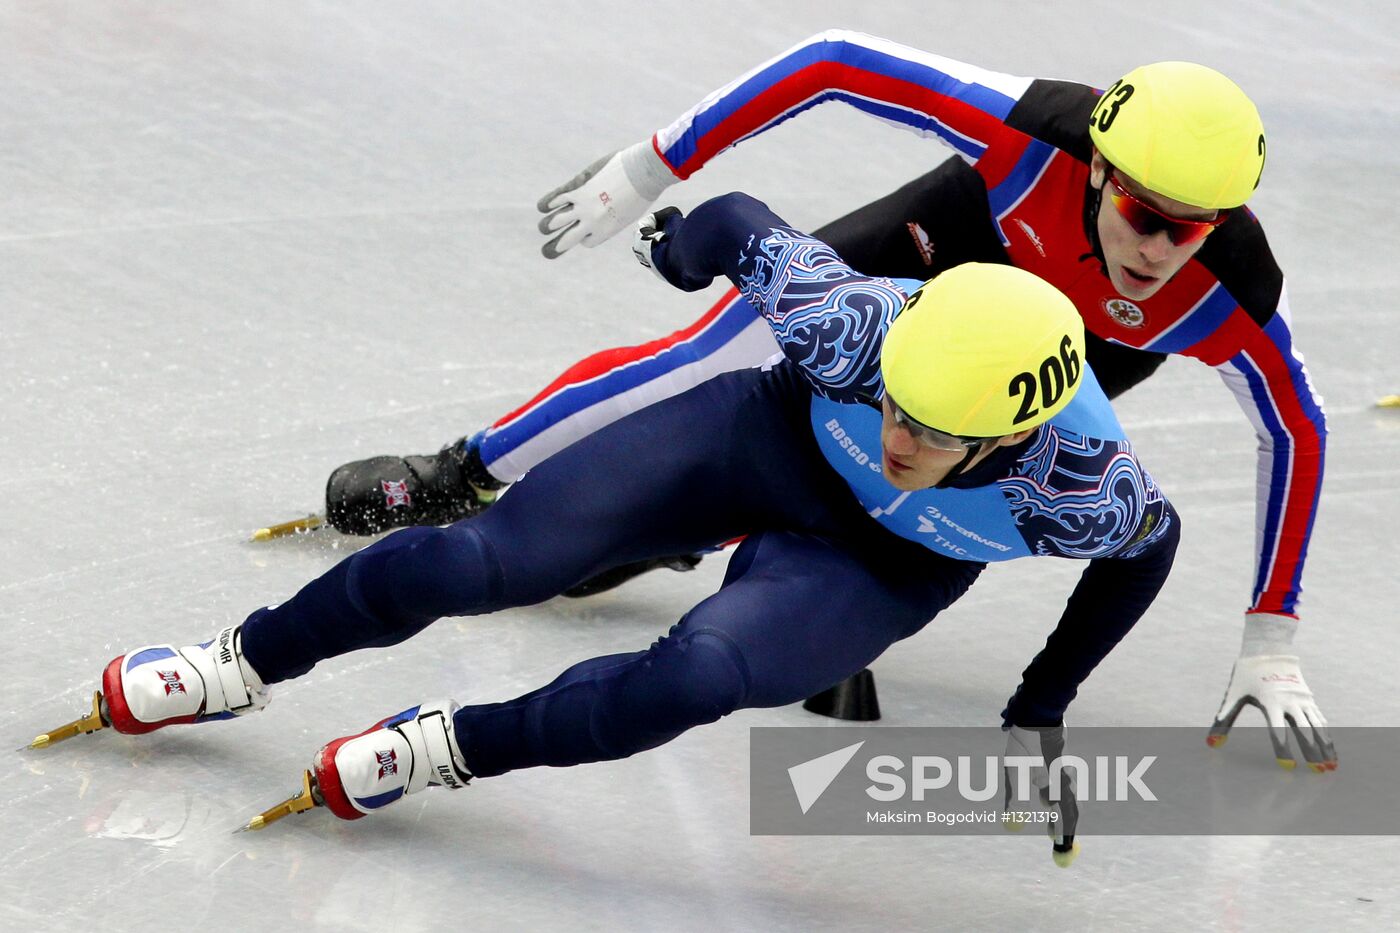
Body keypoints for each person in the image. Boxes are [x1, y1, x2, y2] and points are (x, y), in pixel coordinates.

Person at [48, 193, 1179, 864]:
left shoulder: (1084, 487)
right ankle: (238, 663)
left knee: (693, 678)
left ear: (1010, 438)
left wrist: (1040, 706)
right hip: (762, 440)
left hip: (881, 563)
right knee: (475, 559)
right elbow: (735, 224)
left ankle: (448, 746)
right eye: (892, 400)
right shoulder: (855, 328)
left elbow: (1146, 557)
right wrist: (675, 250)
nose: (897, 433)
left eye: (932, 431)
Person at [321, 35, 1331, 769]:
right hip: (927, 258)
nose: (1159, 249)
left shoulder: (1229, 295)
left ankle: (773, 571)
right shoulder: (1035, 133)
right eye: (1145, 214)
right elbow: (836, 61)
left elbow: (1293, 428)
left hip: (1022, 377)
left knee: (947, 473)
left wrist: (1269, 637)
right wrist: (654, 164)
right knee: (708, 356)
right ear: (1099, 169)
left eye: (1193, 229)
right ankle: (466, 471)